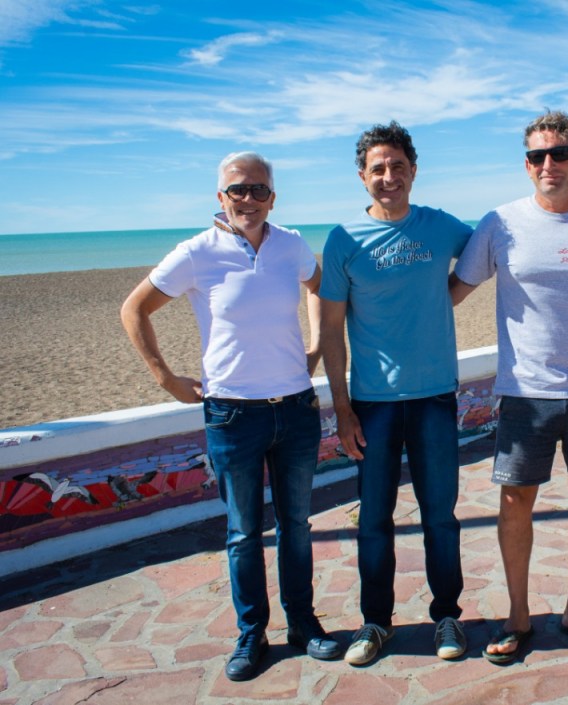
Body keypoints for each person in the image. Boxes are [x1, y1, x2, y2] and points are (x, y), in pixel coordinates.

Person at [121, 152, 339, 682]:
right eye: (237, 190)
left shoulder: (289, 244)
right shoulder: (196, 253)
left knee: (296, 527)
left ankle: (304, 625)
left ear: (273, 196)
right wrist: (165, 378)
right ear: (220, 197)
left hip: (294, 408)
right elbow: (135, 309)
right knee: (243, 532)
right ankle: (251, 634)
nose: (248, 199)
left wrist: (314, 346)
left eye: (258, 189)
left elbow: (323, 290)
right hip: (231, 414)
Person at [450, 110, 568, 664]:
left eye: (558, 153)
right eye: (536, 156)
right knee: (514, 501)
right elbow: (452, 291)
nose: (547, 164)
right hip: (524, 390)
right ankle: (518, 615)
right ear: (526, 165)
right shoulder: (500, 222)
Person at [319, 121, 471, 666]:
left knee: (440, 516)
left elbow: (493, 247)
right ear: (363, 177)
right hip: (373, 404)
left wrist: (446, 296)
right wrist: (341, 408)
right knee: (375, 519)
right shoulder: (342, 240)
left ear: (413, 170)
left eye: (397, 166)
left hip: (433, 397)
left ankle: (448, 616)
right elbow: (330, 330)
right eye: (378, 168)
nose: (389, 176)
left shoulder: (440, 226)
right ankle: (375, 623)